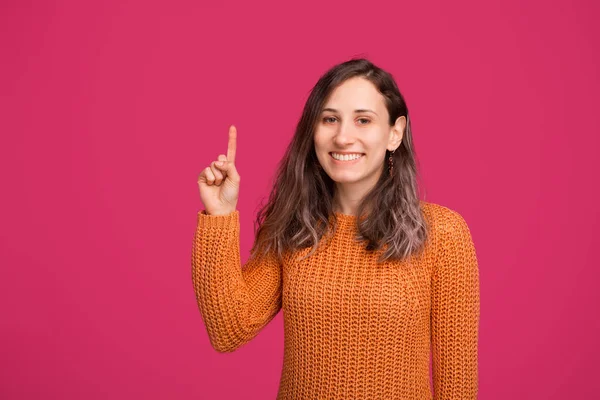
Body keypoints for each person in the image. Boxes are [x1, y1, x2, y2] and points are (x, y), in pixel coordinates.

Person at [192, 58, 480, 399]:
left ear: (394, 133)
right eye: (330, 119)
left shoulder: (443, 234)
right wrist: (220, 214)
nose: (343, 137)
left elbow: (456, 384)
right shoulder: (294, 226)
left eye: (363, 120)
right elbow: (229, 328)